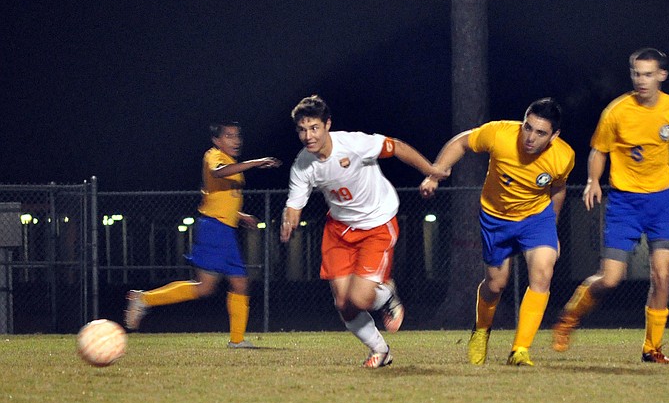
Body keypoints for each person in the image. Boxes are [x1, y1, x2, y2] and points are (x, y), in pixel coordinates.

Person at [551, 47, 669, 363]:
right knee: (610, 279)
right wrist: (593, 181)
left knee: (662, 275)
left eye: (648, 74)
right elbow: (598, 150)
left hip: (662, 201)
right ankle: (569, 317)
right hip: (625, 203)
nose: (641, 80)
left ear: (662, 75)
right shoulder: (617, 111)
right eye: (636, 74)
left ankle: (652, 348)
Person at [280, 95, 447, 368]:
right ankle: (380, 351)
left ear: (327, 125)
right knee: (344, 304)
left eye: (314, 128)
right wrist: (290, 217)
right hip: (339, 231)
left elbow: (397, 147)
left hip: (377, 225)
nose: (307, 135)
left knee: (360, 298)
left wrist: (430, 170)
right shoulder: (302, 164)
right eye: (301, 129)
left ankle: (388, 293)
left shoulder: (354, 144)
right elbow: (295, 202)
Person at [420, 98, 575, 366]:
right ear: (523, 121)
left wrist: (552, 225)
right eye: (528, 127)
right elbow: (461, 143)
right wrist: (435, 174)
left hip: (535, 219)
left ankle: (520, 350)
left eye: (540, 133)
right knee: (495, 284)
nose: (530, 137)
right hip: (496, 219)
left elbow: (558, 188)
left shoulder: (563, 157)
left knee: (542, 272)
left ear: (554, 136)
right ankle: (481, 331)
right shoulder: (500, 133)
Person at [124, 121, 281, 347]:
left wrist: (239, 215)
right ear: (217, 140)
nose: (236, 140)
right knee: (206, 286)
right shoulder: (214, 155)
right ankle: (143, 299)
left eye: (238, 135)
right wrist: (255, 163)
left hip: (225, 229)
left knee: (237, 284)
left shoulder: (231, 161)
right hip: (213, 229)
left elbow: (219, 197)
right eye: (229, 136)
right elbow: (218, 173)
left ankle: (237, 341)